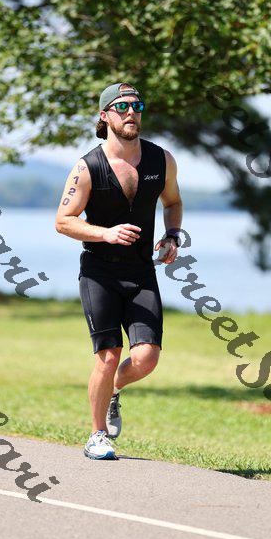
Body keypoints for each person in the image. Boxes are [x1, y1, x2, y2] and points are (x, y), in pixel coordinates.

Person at [55, 82, 183, 460]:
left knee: (146, 358)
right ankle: (96, 436)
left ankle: (113, 390)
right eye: (122, 107)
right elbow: (63, 221)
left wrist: (172, 235)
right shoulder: (88, 167)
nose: (131, 113)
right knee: (108, 355)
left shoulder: (162, 160)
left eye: (136, 106)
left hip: (141, 272)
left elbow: (173, 202)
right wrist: (105, 233)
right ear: (104, 115)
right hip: (99, 272)